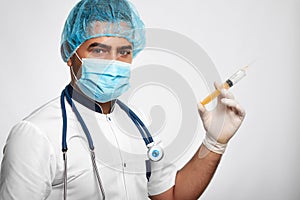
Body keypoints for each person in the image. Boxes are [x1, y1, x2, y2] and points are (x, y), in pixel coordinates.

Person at [0, 0, 245, 199]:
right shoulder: (35, 134)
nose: (113, 62)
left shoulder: (138, 125)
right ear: (70, 54)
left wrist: (214, 142)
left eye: (124, 52)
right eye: (99, 50)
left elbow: (171, 196)